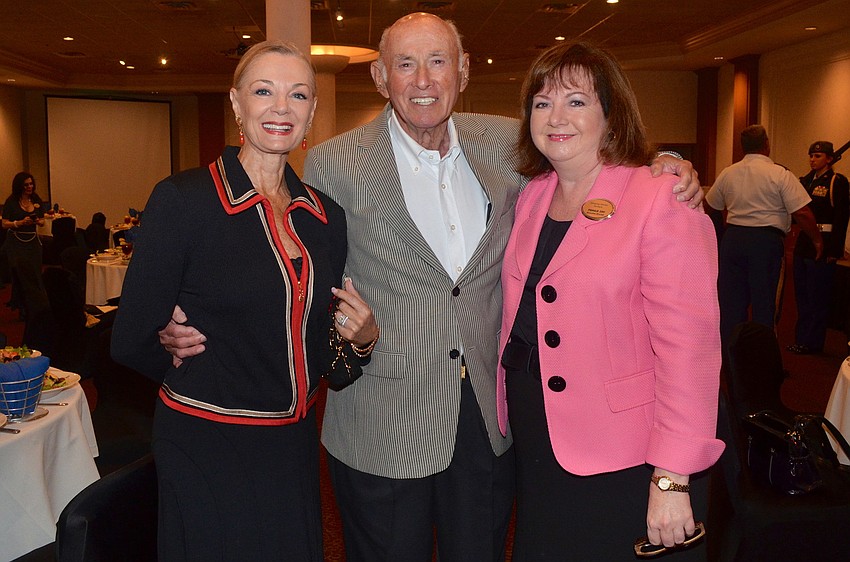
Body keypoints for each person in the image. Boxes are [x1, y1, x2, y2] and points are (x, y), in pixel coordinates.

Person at [161, 13, 704, 561]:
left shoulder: (510, 147)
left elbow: (590, 161)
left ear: (463, 71)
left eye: (438, 61)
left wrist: (669, 164)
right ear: (380, 78)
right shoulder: (334, 164)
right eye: (405, 64)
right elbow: (284, 265)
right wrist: (189, 310)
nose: (423, 79)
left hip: (490, 424)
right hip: (383, 422)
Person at [110, 40, 378, 561]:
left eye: (298, 95)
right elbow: (128, 340)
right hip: (207, 441)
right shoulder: (184, 200)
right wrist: (173, 352)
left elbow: (322, 355)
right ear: (236, 103)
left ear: (312, 111)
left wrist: (362, 341)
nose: (282, 107)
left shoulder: (326, 218)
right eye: (264, 91)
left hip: (294, 445)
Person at [497, 41, 723, 561]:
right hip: (540, 440)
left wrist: (671, 477)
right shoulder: (533, 195)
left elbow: (690, 353)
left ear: (611, 113)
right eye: (542, 102)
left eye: (576, 101)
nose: (557, 117)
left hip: (628, 453)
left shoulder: (659, 198)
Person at [706, 125, 822, 347]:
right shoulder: (779, 174)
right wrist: (817, 240)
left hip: (733, 240)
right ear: (766, 145)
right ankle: (761, 363)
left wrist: (720, 237)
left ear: (743, 148)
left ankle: (732, 364)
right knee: (765, 304)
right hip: (765, 243)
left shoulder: (728, 173)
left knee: (732, 306)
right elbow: (802, 212)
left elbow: (711, 205)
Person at [787, 141, 850, 355]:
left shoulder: (836, 182)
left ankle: (813, 342)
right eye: (811, 156)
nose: (813, 160)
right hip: (805, 241)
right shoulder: (806, 181)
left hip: (825, 241)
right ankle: (802, 338)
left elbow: (841, 218)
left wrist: (834, 251)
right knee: (802, 295)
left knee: (817, 297)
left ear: (830, 159)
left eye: (818, 156)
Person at [1, 172, 48, 316]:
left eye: (31, 184)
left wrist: (38, 221)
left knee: (34, 272)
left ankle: (36, 304)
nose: (30, 187)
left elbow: (42, 220)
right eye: (26, 184)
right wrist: (19, 223)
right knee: (20, 273)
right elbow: (4, 224)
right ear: (20, 186)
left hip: (32, 242)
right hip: (16, 242)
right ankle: (21, 305)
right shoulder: (11, 202)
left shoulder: (36, 199)